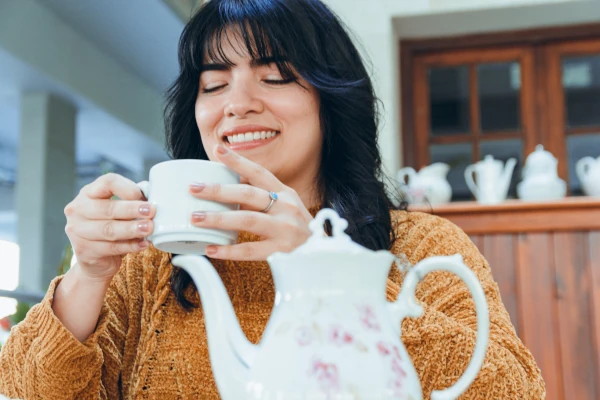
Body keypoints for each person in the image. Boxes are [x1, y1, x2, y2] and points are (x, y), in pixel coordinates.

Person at [0, 0, 545, 398]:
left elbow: (511, 389)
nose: (237, 104)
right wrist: (86, 276)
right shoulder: (149, 264)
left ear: (331, 98)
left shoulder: (421, 244)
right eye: (213, 85)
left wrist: (322, 265)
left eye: (276, 76)